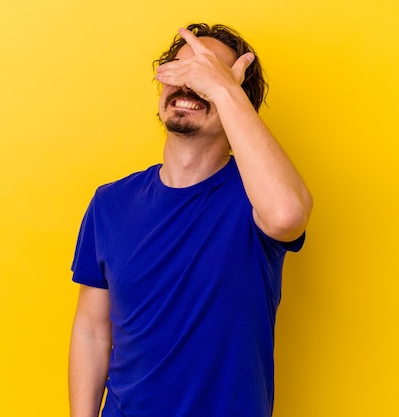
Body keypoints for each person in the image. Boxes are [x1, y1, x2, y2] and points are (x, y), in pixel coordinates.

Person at [68, 23, 313, 417]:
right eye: (180, 71)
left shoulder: (257, 196)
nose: (189, 84)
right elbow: (92, 329)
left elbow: (288, 216)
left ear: (236, 98)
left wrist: (225, 91)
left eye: (207, 73)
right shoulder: (110, 202)